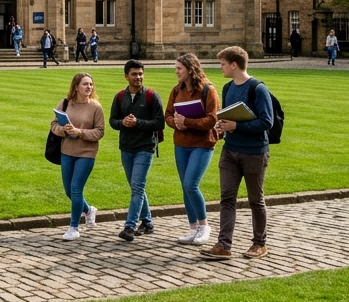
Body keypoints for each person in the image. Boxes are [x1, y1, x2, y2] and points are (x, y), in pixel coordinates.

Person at [202, 46, 275, 261]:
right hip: (230, 151)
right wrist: (222, 127)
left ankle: (259, 243)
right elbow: (228, 115)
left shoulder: (258, 89)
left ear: (234, 65)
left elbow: (266, 121)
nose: (220, 68)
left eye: (223, 64)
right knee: (226, 198)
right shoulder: (227, 88)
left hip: (254, 152)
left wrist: (236, 126)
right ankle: (224, 245)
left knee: (255, 200)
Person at [165, 52, 220, 246]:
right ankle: (193, 228)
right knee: (185, 187)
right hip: (181, 143)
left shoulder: (208, 90)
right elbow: (169, 114)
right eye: (176, 68)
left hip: (202, 143)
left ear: (190, 69)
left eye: (179, 68)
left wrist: (187, 121)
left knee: (191, 184)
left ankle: (204, 226)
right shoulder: (176, 90)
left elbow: (213, 119)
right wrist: (176, 123)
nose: (176, 72)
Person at [110, 60, 165, 241]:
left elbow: (159, 123)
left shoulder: (151, 96)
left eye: (140, 74)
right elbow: (112, 121)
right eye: (134, 74)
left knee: (137, 187)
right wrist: (122, 122)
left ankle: (130, 226)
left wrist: (138, 123)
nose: (138, 77)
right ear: (126, 76)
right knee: (136, 187)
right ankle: (147, 222)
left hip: (145, 147)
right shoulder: (119, 97)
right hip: (126, 147)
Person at [48, 72, 105, 240]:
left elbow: (100, 131)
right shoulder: (66, 103)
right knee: (69, 191)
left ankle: (73, 227)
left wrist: (80, 132)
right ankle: (88, 209)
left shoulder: (96, 107)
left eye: (91, 84)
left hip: (86, 153)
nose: (89, 87)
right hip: (67, 151)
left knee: (76, 189)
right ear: (76, 86)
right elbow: (53, 124)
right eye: (85, 84)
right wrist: (63, 131)